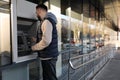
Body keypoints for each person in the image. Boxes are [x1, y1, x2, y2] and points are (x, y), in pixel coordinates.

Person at [31, 4, 59, 80]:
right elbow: (47, 37)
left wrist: (34, 47)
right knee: (48, 77)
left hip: (48, 57)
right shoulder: (46, 21)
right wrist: (36, 40)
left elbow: (46, 41)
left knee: (50, 78)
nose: (36, 14)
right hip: (48, 56)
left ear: (40, 11)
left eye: (37, 12)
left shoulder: (47, 22)